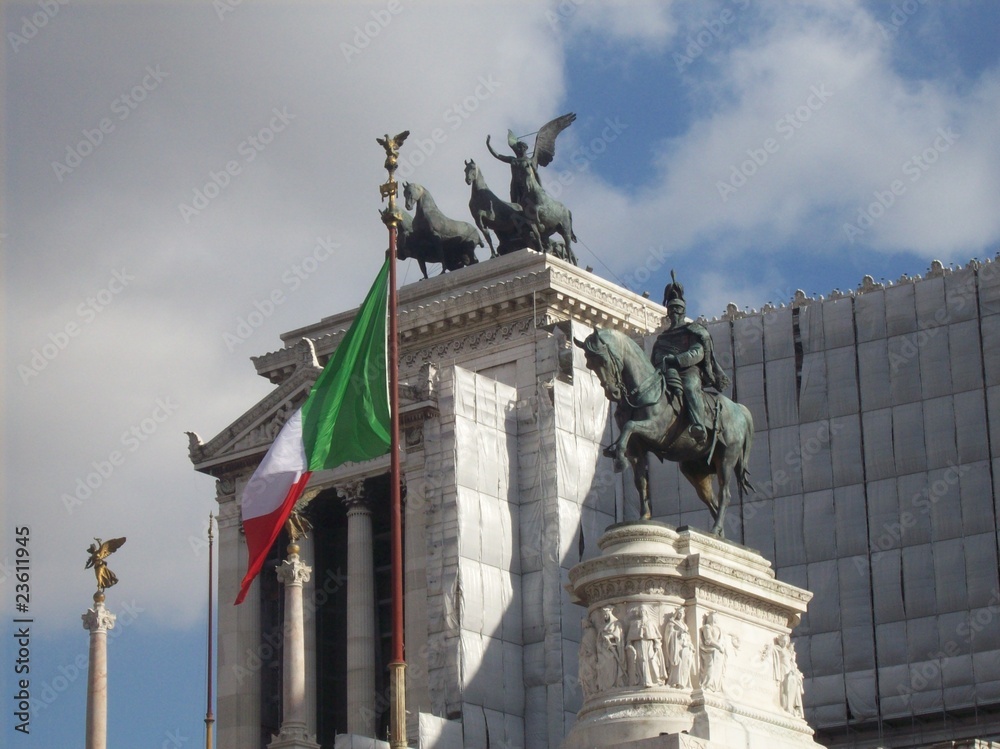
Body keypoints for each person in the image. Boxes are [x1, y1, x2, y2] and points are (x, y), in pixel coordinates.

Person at [650, 272, 730, 443]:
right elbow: (656, 356)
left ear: (683, 311)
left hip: (688, 371)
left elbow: (698, 351)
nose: (674, 313)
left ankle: (698, 424)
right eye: (671, 310)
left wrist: (677, 359)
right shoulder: (662, 338)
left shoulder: (693, 330)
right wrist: (662, 362)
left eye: (677, 310)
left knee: (690, 386)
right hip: (665, 372)